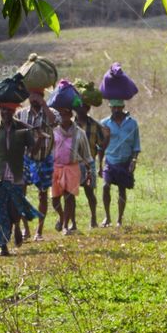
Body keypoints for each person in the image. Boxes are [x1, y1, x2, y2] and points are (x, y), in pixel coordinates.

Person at [0, 103, 42, 256]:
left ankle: (16, 225)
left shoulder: (23, 130)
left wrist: (39, 140)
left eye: (8, 109)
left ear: (14, 111)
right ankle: (3, 246)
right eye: (2, 109)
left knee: (15, 209)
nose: (5, 112)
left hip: (16, 178)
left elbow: (33, 153)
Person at [17, 90, 57, 241]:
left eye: (38, 96)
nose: (34, 99)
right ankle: (25, 229)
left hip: (44, 159)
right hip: (26, 159)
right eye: (32, 96)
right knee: (21, 194)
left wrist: (44, 104)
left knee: (43, 195)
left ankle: (39, 232)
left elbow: (54, 122)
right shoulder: (21, 115)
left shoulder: (50, 113)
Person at [50, 107, 93, 235]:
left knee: (69, 197)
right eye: (61, 115)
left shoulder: (80, 133)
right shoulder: (53, 132)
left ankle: (65, 226)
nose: (63, 117)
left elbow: (86, 154)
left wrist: (89, 171)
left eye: (66, 114)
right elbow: (48, 150)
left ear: (70, 115)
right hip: (55, 168)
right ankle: (62, 216)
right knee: (55, 199)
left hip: (72, 167)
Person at [100, 99, 140, 227]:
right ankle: (107, 217)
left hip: (125, 161)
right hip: (110, 161)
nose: (116, 110)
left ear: (123, 106)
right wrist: (99, 165)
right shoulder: (105, 123)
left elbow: (136, 145)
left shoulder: (132, 124)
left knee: (122, 189)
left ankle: (120, 219)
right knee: (106, 186)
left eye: (119, 107)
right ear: (110, 107)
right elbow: (101, 146)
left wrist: (134, 160)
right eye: (113, 108)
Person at [74, 100, 110, 229]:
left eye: (84, 107)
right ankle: (72, 223)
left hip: (89, 163)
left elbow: (101, 146)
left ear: (88, 108)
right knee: (71, 194)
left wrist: (107, 138)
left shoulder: (95, 125)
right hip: (73, 163)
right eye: (79, 107)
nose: (81, 110)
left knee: (90, 192)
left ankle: (93, 219)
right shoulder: (70, 124)